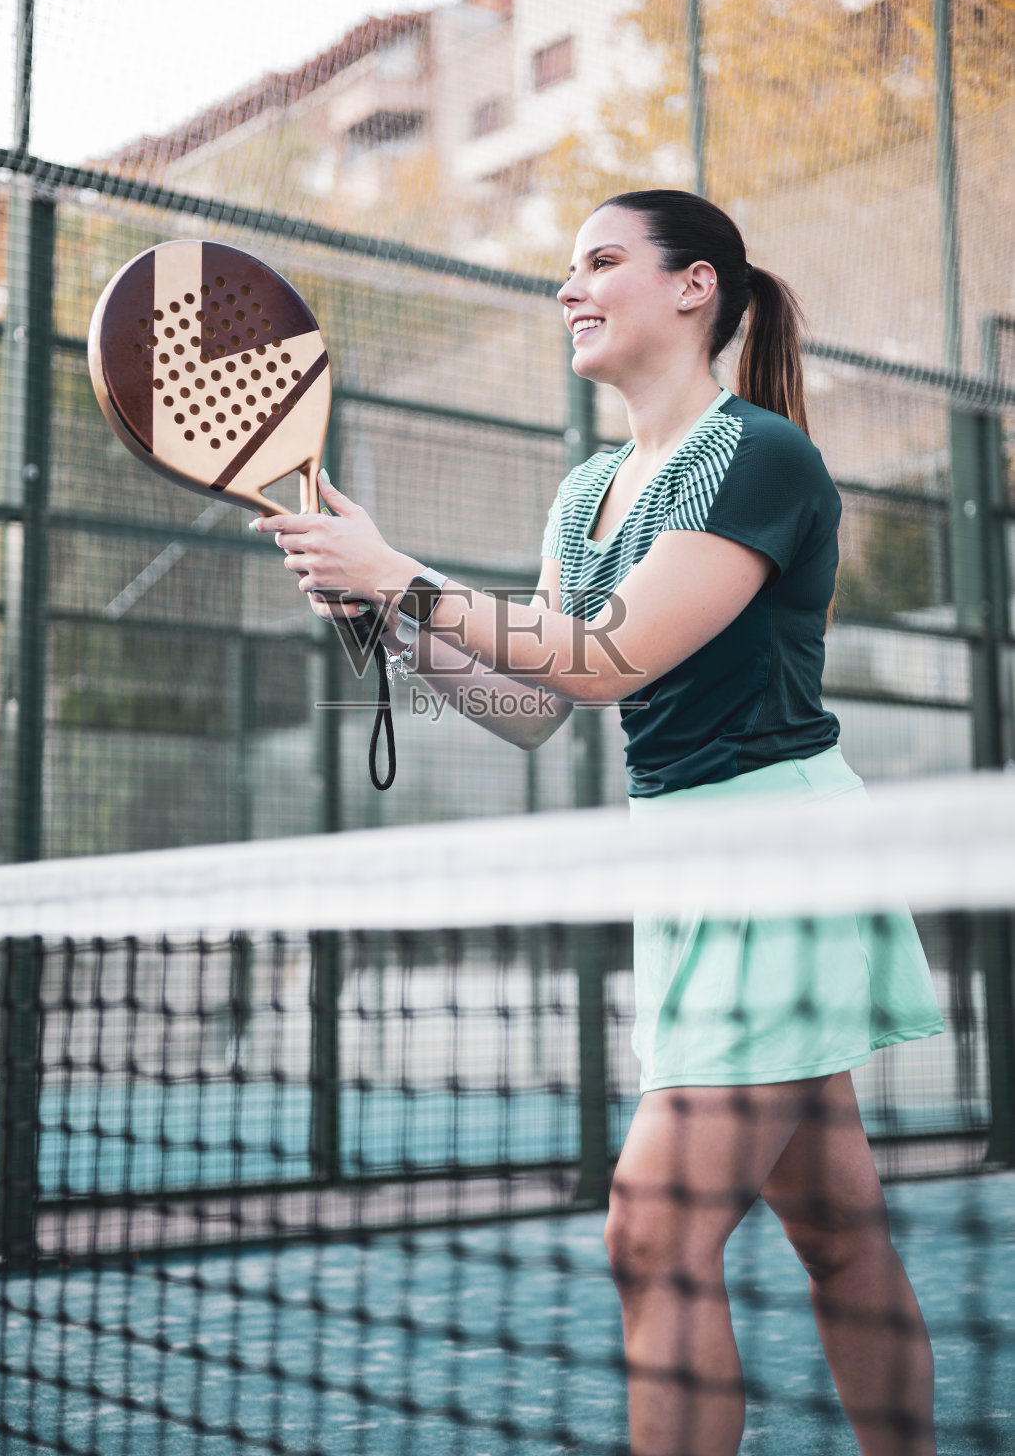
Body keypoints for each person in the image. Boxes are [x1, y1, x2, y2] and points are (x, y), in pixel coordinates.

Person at [253, 189, 944, 1456]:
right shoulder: (583, 494)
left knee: (650, 1229)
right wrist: (383, 614)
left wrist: (403, 573)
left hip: (778, 854)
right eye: (564, 269)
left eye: (600, 261)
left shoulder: (760, 455)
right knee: (837, 1227)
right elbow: (528, 704)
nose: (568, 287)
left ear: (694, 287)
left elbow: (605, 657)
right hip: (680, 858)